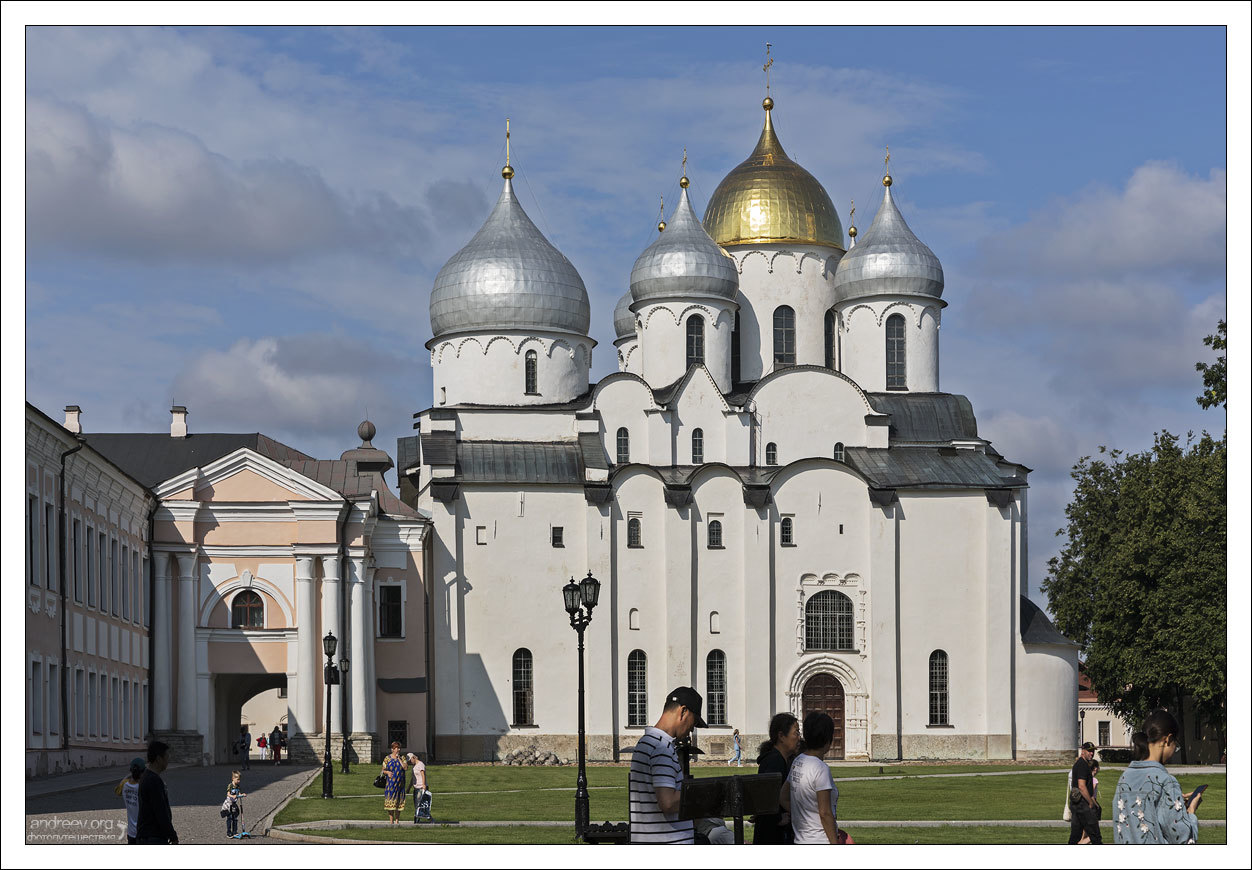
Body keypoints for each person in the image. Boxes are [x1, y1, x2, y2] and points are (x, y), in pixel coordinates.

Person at [628, 686, 707, 844]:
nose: (692, 729)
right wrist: (705, 796)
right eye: (694, 721)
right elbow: (668, 802)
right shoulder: (661, 748)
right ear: (683, 711)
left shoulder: (647, 743)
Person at [1112, 709, 1202, 844]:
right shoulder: (1166, 782)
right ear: (1168, 740)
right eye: (1175, 745)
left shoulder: (1125, 778)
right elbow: (1182, 838)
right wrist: (1191, 812)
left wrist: (1174, 804)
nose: (1174, 750)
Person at [780, 712, 840, 844]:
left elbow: (783, 797)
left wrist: (802, 816)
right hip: (820, 839)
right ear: (828, 739)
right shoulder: (820, 768)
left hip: (801, 838)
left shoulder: (798, 761)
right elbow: (825, 813)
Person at [753, 712, 800, 845]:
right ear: (781, 736)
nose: (799, 738)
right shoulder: (774, 761)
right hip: (772, 835)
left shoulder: (783, 760)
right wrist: (777, 817)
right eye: (796, 733)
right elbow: (765, 795)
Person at [135, 740, 178, 844]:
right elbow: (160, 811)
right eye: (166, 757)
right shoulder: (154, 781)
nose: (168, 760)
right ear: (159, 759)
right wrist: (172, 835)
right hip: (153, 836)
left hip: (145, 834)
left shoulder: (146, 776)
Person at [1068, 740, 1102, 844]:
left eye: (1093, 751)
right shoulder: (1082, 765)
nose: (1091, 753)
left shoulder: (1080, 764)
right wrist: (1091, 802)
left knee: (1075, 836)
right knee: (1095, 835)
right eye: (1089, 751)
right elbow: (1082, 786)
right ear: (1083, 751)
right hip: (1083, 805)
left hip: (1077, 805)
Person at [114, 757, 145, 844]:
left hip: (131, 832)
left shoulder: (125, 785)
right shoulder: (142, 786)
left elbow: (117, 791)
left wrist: (128, 775)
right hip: (143, 832)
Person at [381, 741, 408, 826]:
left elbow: (405, 767)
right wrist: (387, 772)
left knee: (398, 802)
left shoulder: (402, 758)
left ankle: (397, 820)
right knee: (391, 801)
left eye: (399, 748)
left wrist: (399, 759)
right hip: (391, 783)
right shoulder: (387, 758)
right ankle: (391, 820)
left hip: (400, 784)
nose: (398, 750)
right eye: (396, 748)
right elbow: (382, 770)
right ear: (392, 749)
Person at [408, 752, 432, 823]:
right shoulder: (414, 766)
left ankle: (417, 819)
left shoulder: (420, 764)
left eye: (410, 760)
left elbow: (423, 775)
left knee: (420, 805)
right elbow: (413, 778)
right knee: (417, 805)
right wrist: (409, 787)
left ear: (413, 757)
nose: (410, 762)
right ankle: (426, 818)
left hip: (421, 787)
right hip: (416, 787)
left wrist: (424, 785)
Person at [224, 770, 247, 838]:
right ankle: (229, 832)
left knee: (235, 818)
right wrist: (232, 795)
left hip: (234, 804)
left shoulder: (237, 786)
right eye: (238, 779)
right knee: (230, 818)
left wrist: (242, 794)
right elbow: (228, 794)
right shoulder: (230, 785)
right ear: (233, 778)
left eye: (239, 779)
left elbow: (238, 793)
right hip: (229, 804)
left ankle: (235, 831)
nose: (239, 781)